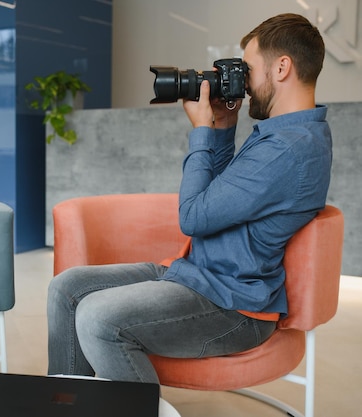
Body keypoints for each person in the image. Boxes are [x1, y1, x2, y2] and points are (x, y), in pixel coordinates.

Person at [47, 13, 332, 383]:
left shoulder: (289, 148)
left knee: (98, 317)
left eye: (248, 69)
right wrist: (223, 129)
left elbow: (195, 216)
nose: (242, 83)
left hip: (232, 306)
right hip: (199, 276)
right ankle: (72, 403)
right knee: (66, 289)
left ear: (281, 68)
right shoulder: (284, 135)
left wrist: (201, 130)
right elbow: (222, 199)